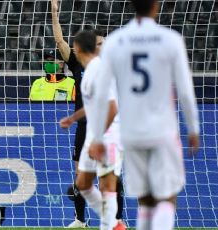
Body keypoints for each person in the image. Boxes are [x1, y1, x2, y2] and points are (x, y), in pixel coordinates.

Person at [88, 0, 200, 230]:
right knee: (166, 197)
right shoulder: (170, 39)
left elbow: (101, 95)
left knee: (146, 200)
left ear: (131, 5)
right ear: (156, 6)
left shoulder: (116, 41)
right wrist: (194, 128)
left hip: (130, 132)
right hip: (163, 130)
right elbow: (185, 90)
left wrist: (98, 136)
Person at [51, 0, 125, 227]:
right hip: (85, 128)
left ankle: (117, 220)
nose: (100, 47)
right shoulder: (79, 65)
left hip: (109, 128)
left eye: (103, 43)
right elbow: (60, 41)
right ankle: (80, 219)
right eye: (97, 44)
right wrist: (54, 13)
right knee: (81, 178)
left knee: (111, 179)